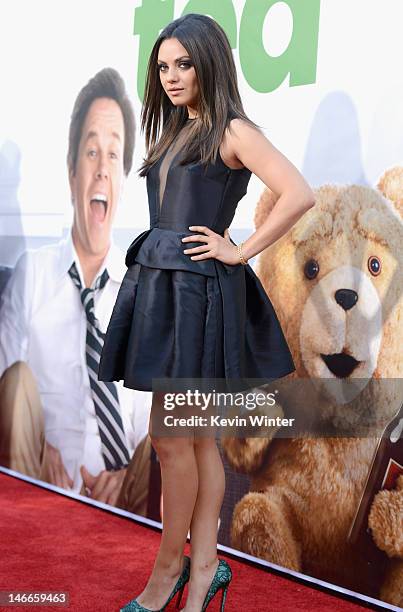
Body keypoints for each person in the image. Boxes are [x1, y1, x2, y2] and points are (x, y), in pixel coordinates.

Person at [99, 14, 315, 612]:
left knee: (177, 441)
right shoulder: (174, 127)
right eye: (163, 66)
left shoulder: (233, 130)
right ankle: (206, 569)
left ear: (209, 63)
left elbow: (299, 193)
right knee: (189, 444)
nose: (171, 77)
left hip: (197, 300)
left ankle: (172, 570)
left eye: (183, 65)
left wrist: (238, 249)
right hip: (166, 294)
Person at [0, 68, 152, 515]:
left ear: (123, 182)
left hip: (123, 499)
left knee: (172, 423)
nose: (102, 168)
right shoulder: (33, 274)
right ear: (71, 174)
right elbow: (7, 390)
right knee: (16, 385)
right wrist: (37, 454)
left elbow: (149, 428)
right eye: (91, 152)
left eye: (113, 154)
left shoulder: (142, 293)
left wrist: (124, 478)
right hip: (36, 488)